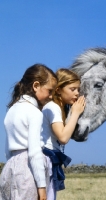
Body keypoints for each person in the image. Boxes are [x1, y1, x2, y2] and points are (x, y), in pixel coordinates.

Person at [0, 64, 57, 200]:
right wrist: (42, 187)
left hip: (9, 169)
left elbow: (7, 150)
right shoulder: (34, 113)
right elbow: (35, 152)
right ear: (36, 86)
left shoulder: (11, 110)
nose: (51, 96)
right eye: (50, 91)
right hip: (27, 171)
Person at [41, 68, 85, 199]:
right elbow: (63, 137)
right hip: (46, 159)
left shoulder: (57, 107)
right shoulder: (52, 107)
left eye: (78, 89)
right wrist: (76, 113)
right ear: (58, 90)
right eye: (72, 89)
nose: (77, 93)